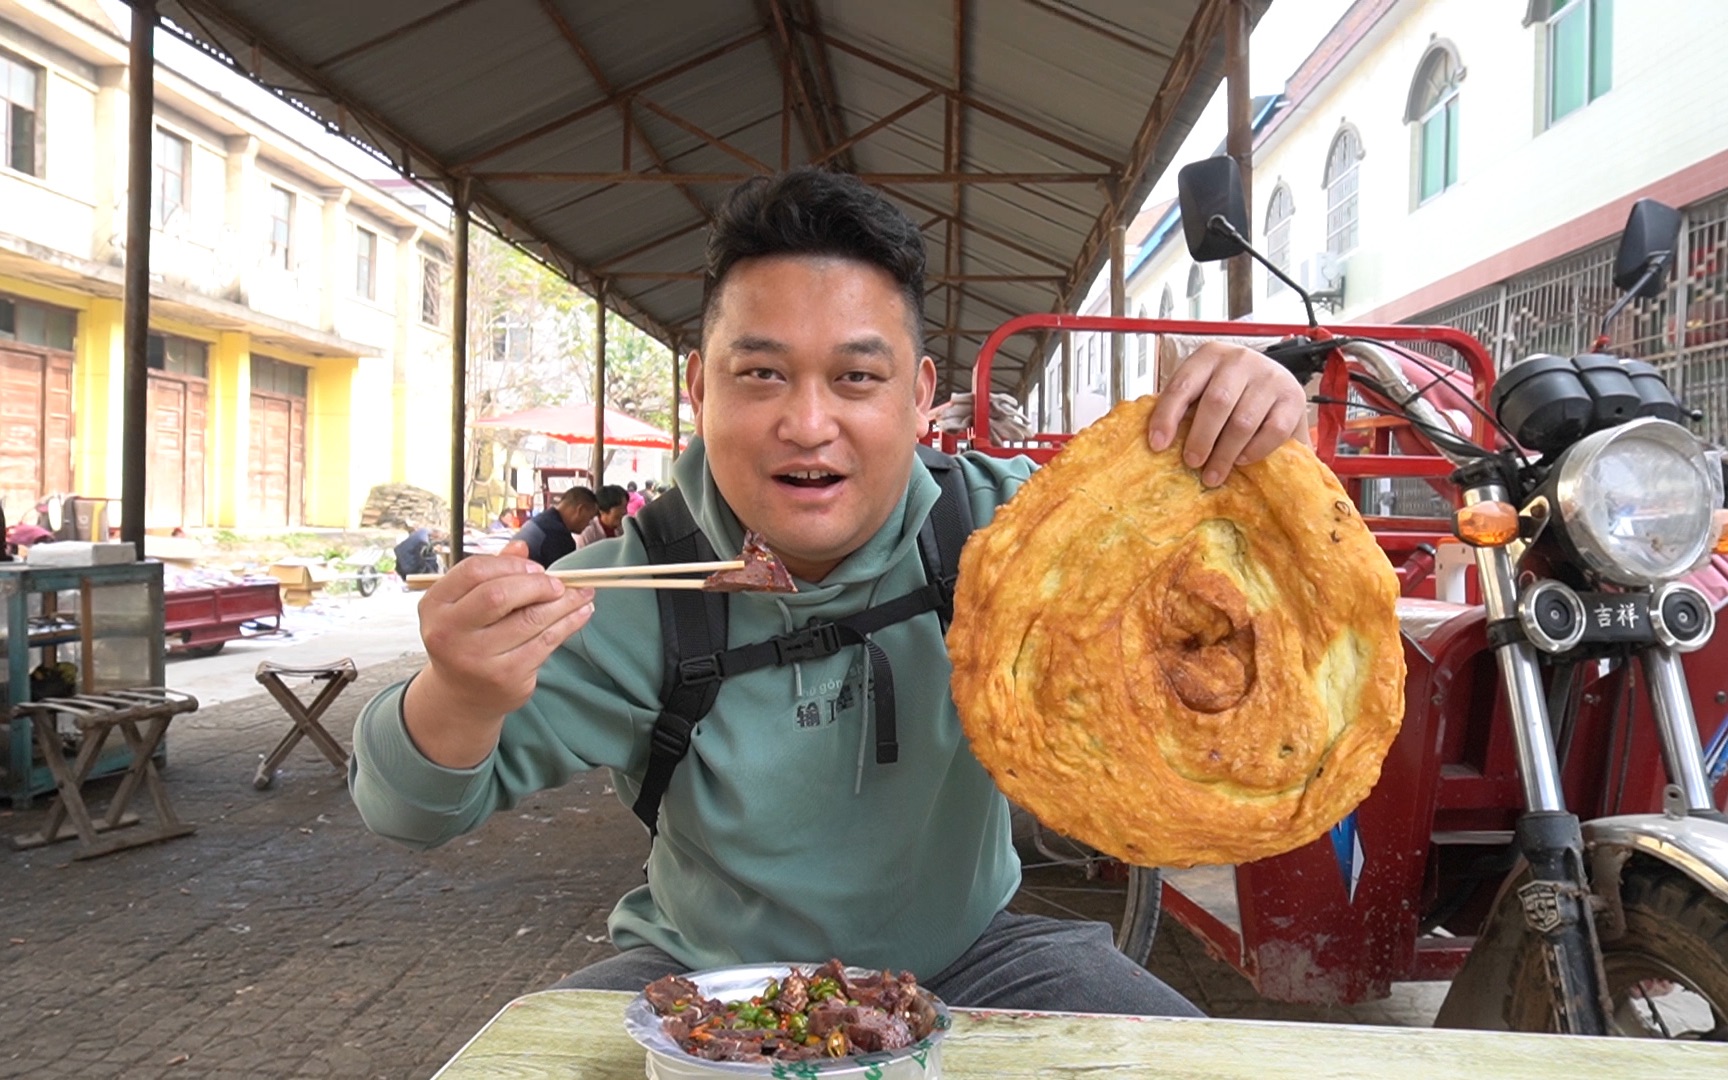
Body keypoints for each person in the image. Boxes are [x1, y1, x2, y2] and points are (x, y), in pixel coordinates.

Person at [349, 168, 1305, 1015]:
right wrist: (462, 692)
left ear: (921, 394)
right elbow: (410, 810)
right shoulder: (626, 592)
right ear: (700, 387)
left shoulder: (1012, 537)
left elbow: (1229, 585)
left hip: (973, 960)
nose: (808, 424)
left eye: (856, 377)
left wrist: (1253, 416)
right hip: (710, 975)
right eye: (760, 373)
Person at [512, 487, 598, 569]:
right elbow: (566, 578)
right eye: (590, 518)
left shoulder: (539, 521)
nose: (588, 524)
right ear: (580, 510)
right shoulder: (560, 537)